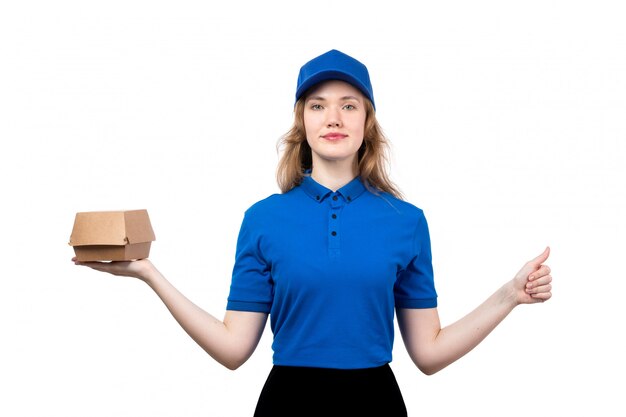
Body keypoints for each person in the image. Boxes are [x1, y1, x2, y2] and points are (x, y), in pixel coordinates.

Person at [73, 49, 553, 416]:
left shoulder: (406, 221)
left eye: (349, 105)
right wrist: (149, 274)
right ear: (302, 121)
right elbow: (233, 349)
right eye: (319, 105)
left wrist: (509, 295)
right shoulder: (263, 219)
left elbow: (427, 353)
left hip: (375, 403)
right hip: (289, 402)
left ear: (367, 122)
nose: (334, 118)